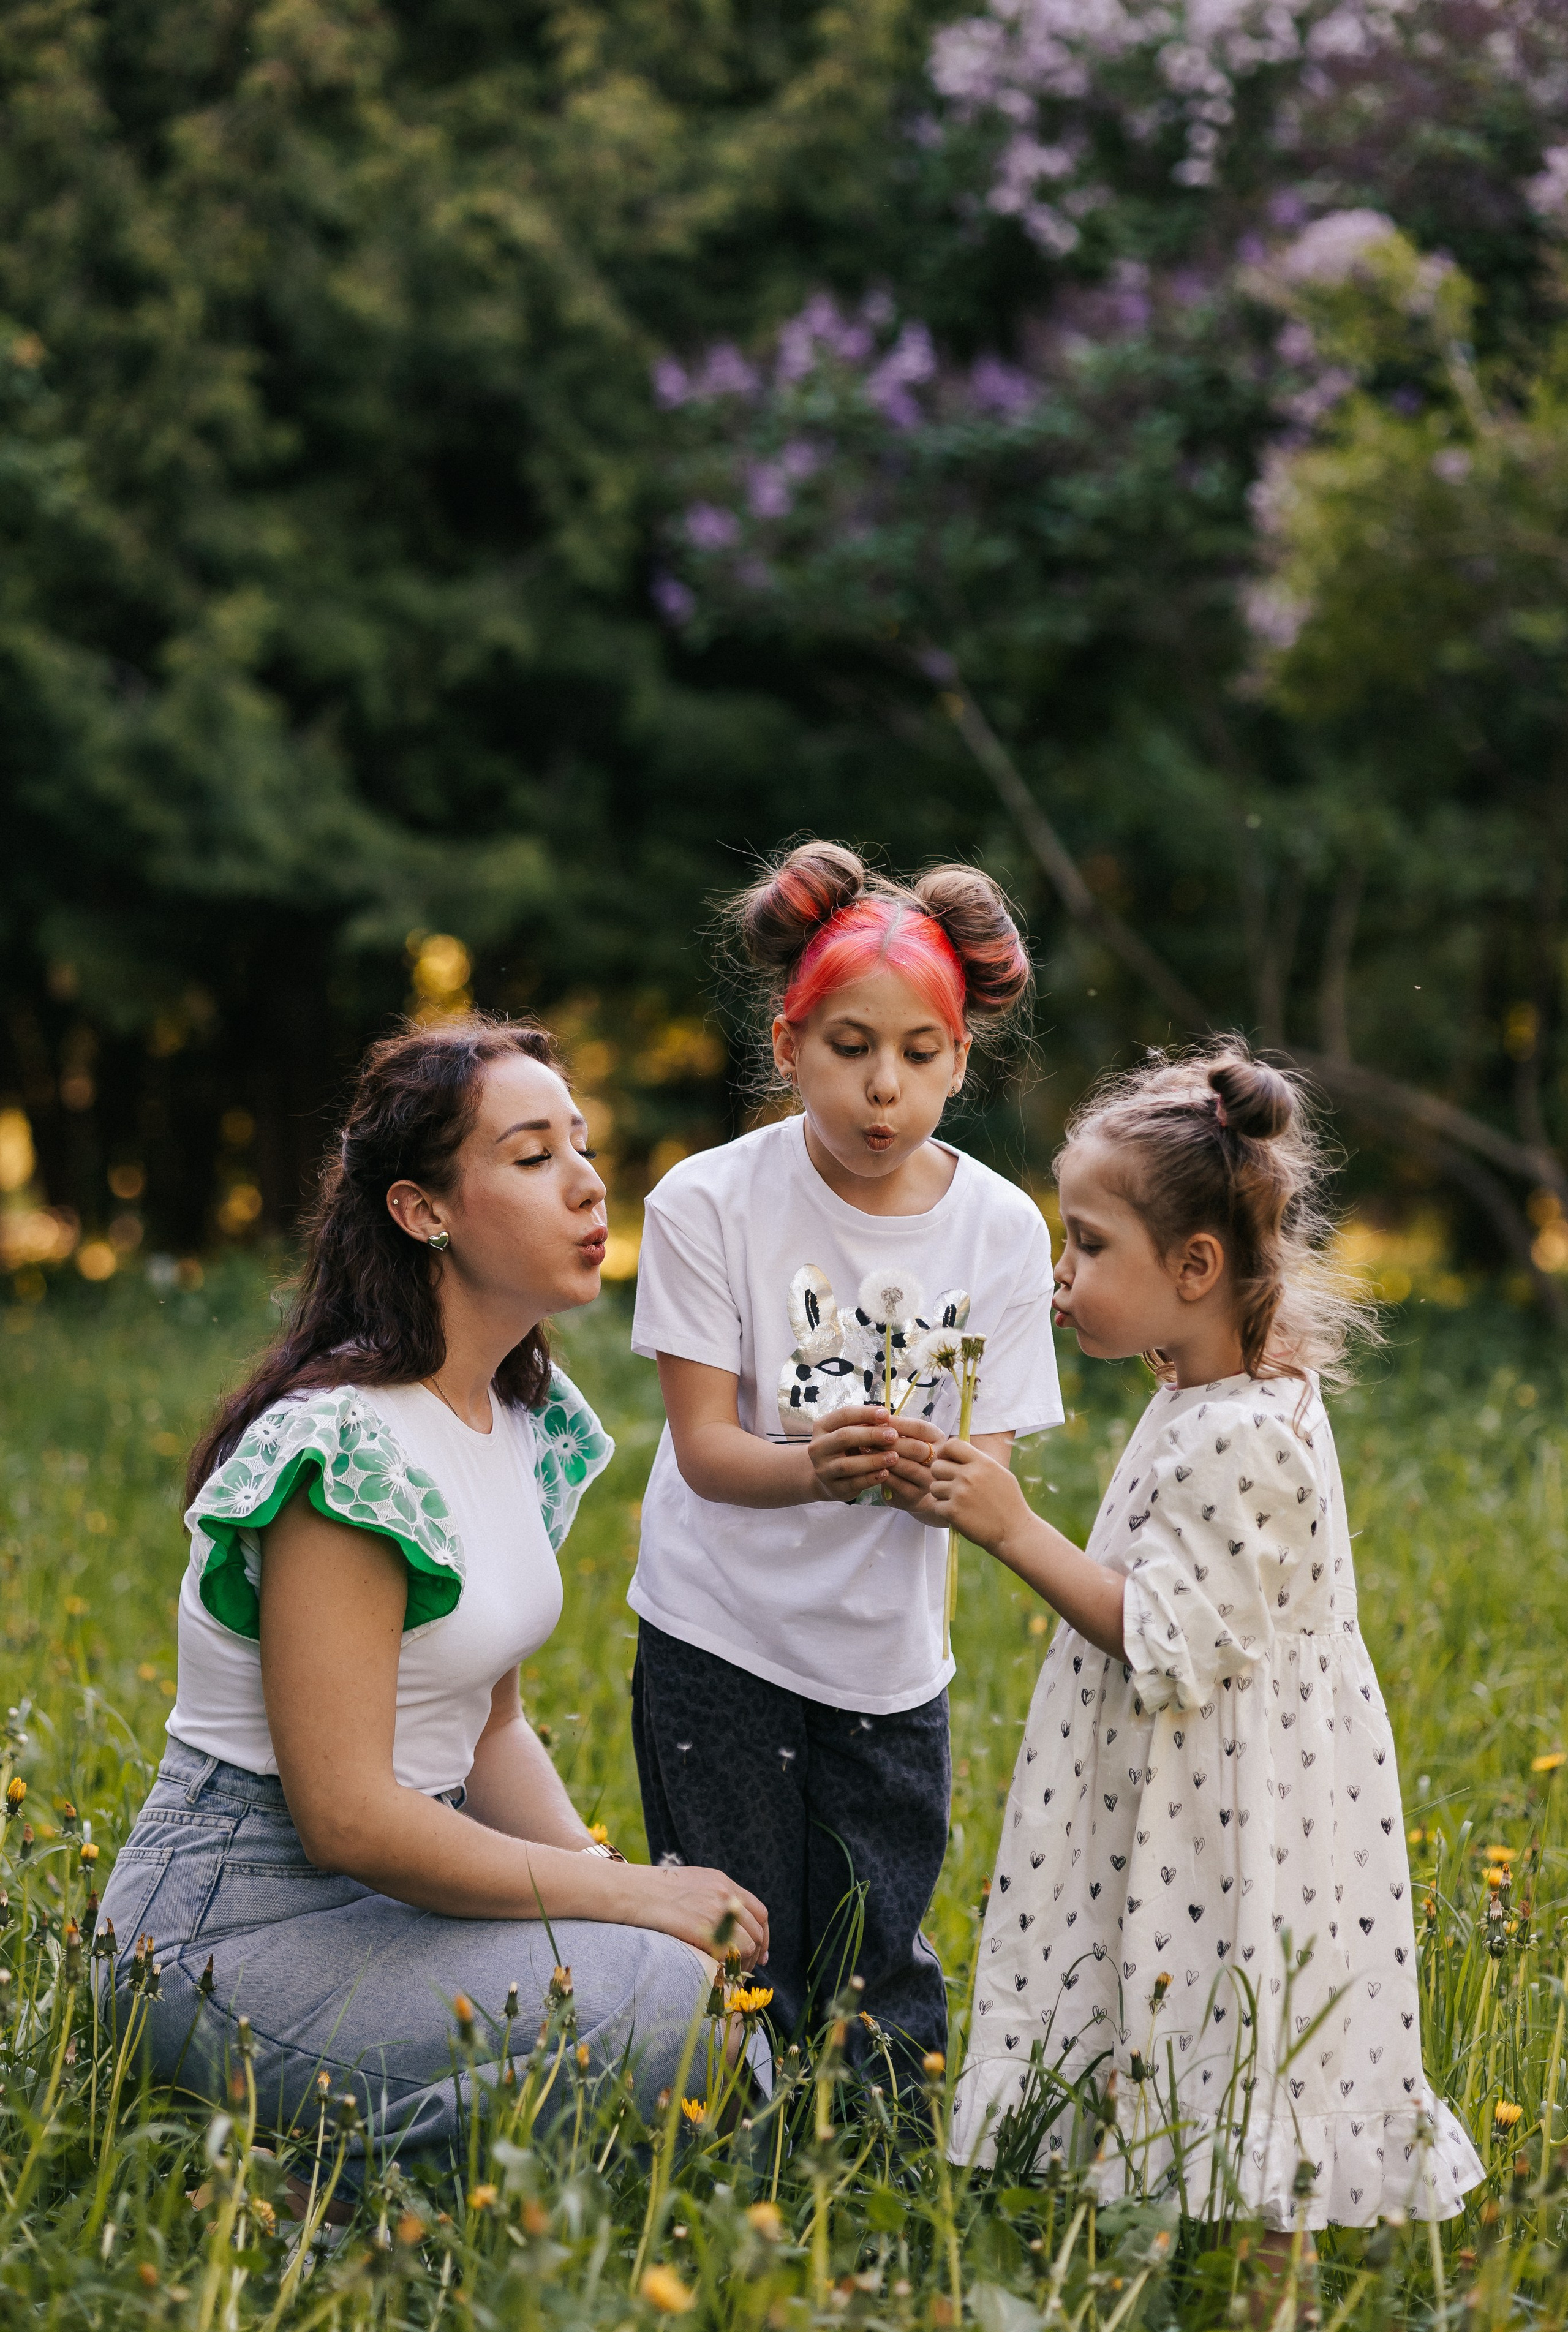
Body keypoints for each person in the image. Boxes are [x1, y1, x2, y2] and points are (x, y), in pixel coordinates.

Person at [98, 1016, 767, 2185]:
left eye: (583, 1145)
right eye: (531, 1156)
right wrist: (624, 1898)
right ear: (424, 1210)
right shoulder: (345, 1448)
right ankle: (305, 2184)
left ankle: (412, 2155)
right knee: (665, 2004)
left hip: (398, 1901)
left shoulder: (518, 1417)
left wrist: (636, 1899)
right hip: (229, 1934)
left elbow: (493, 1730)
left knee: (702, 1990)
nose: (587, 1184)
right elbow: (347, 1817)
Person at [932, 1042, 1482, 2239]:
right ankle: (1175, 2237)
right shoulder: (1209, 1393)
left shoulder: (1240, 1434)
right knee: (1193, 2002)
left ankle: (1265, 2282)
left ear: (1193, 1266)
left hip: (1227, 1799)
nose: (1060, 1275)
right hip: (1198, 1776)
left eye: (1086, 1244)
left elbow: (1161, 1635)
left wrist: (1010, 1529)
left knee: (1235, 2006)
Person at [626, 840, 1062, 2080]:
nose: (883, 1089)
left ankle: (872, 2189)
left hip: (883, 1653)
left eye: (918, 1055)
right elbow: (708, 1453)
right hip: (717, 1637)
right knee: (734, 1933)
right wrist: (818, 1467)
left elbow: (984, 1466)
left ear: (959, 1060)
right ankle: (721, 2165)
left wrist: (945, 1478)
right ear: (786, 1047)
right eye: (848, 1048)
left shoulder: (998, 1229)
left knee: (874, 1947)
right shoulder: (705, 1206)